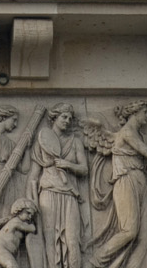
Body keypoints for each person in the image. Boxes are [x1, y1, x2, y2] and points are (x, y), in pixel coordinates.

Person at [88, 102, 147, 268]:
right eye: (144, 113)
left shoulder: (140, 135)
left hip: (140, 182)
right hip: (126, 181)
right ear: (134, 113)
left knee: (144, 239)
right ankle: (95, 261)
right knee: (130, 231)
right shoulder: (126, 132)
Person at [30, 107, 90, 268]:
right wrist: (33, 203)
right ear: (54, 118)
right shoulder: (42, 139)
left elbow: (84, 169)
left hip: (69, 194)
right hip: (48, 192)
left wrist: (68, 165)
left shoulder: (75, 141)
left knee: (72, 239)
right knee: (49, 239)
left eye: (70, 118)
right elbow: (33, 176)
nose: (67, 121)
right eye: (64, 117)